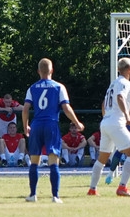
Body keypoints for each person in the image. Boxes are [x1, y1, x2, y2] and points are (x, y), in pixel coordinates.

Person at [21, 58, 85, 203]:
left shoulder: (32, 88)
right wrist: (77, 122)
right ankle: (55, 196)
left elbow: (25, 109)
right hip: (51, 124)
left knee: (34, 161)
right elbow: (66, 108)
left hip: (37, 124)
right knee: (53, 161)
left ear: (38, 71)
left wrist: (25, 126)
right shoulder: (59, 87)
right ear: (52, 70)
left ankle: (33, 194)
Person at [88, 57, 130, 197]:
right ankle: (122, 188)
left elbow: (103, 104)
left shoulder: (113, 84)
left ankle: (92, 189)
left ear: (118, 69)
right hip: (115, 122)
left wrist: (107, 117)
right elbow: (120, 97)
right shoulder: (125, 83)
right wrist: (127, 117)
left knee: (102, 158)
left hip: (106, 122)